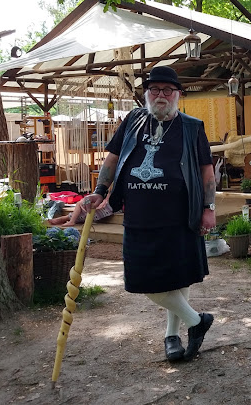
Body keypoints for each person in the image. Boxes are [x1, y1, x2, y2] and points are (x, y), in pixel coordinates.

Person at [82, 66, 217, 363]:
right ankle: (197, 322)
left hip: (181, 215)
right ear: (146, 94)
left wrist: (209, 208)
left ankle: (172, 335)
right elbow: (113, 158)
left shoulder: (192, 127)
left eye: (168, 90)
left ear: (178, 94)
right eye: (155, 90)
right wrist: (100, 189)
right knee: (144, 280)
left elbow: (207, 170)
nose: (161, 95)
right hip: (140, 216)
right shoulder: (132, 121)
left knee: (178, 278)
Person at [47, 193, 114, 226]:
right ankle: (65, 219)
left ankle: (70, 220)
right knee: (81, 205)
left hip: (107, 208)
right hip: (107, 207)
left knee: (79, 204)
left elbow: (102, 202)